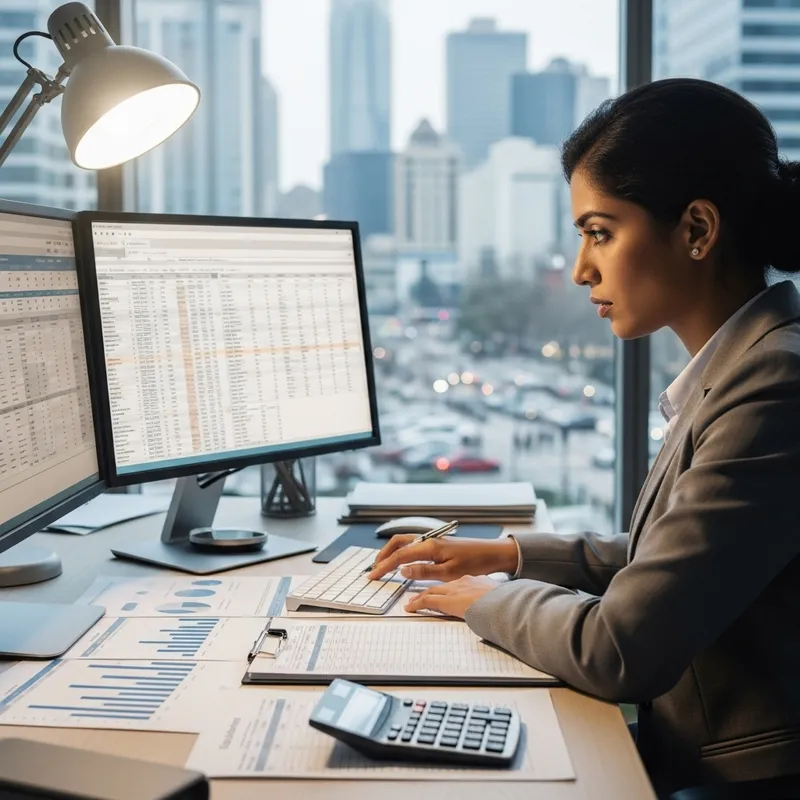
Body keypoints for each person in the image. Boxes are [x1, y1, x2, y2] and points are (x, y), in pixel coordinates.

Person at [369, 78, 800, 797]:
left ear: (696, 229)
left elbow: (620, 647)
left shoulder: (773, 387)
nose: (580, 270)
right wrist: (508, 553)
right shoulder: (742, 368)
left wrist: (479, 597)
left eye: (600, 232)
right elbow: (679, 561)